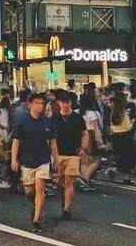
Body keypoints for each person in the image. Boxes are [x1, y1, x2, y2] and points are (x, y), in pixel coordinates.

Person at [11, 93, 58, 232]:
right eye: (37, 103)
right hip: (27, 160)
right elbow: (16, 141)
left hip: (43, 159)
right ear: (30, 104)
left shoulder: (47, 122)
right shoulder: (22, 121)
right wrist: (14, 159)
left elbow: (53, 141)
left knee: (40, 187)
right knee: (29, 190)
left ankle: (37, 219)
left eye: (42, 103)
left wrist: (56, 158)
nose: (40, 106)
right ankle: (36, 204)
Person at [52, 93, 88, 220]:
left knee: (69, 181)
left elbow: (85, 134)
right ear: (59, 104)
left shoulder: (77, 118)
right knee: (60, 182)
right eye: (63, 102)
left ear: (70, 103)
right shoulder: (55, 118)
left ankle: (67, 209)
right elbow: (51, 138)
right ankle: (64, 201)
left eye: (67, 102)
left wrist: (83, 148)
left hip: (73, 154)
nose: (65, 105)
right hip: (58, 154)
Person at [109, 94, 136, 185]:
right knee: (127, 158)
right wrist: (132, 122)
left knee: (117, 155)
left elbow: (111, 127)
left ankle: (113, 168)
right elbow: (127, 127)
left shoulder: (113, 113)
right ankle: (126, 178)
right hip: (125, 137)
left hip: (115, 137)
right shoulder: (124, 114)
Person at [79, 93, 104, 191]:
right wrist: (100, 141)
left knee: (84, 160)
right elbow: (96, 128)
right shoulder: (92, 114)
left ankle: (83, 181)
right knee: (96, 160)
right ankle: (85, 179)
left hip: (81, 137)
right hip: (90, 136)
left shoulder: (78, 112)